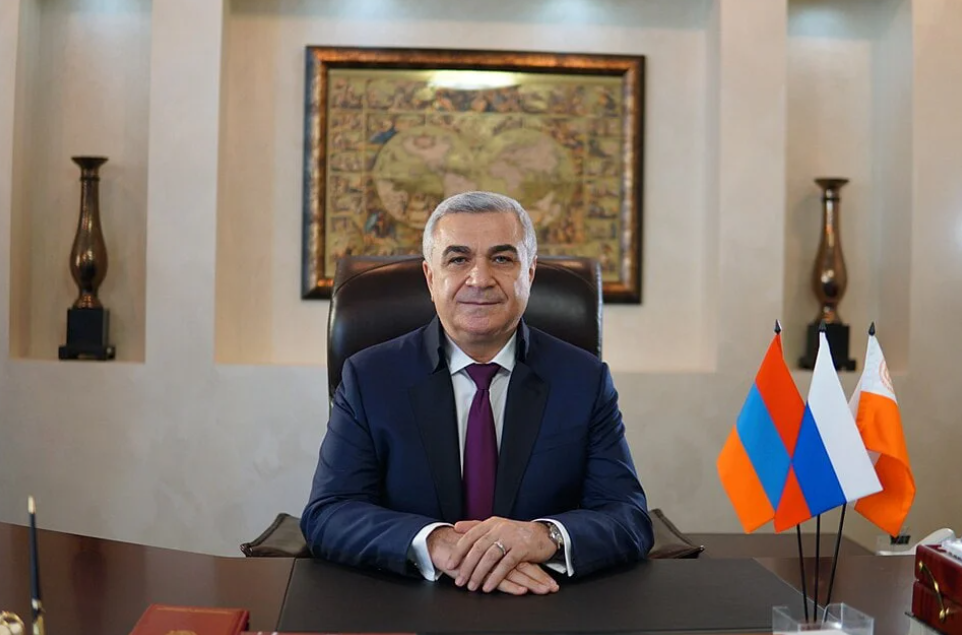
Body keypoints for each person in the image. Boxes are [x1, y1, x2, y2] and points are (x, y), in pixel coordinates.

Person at [301, 191, 653, 595]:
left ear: (530, 273)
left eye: (502, 259)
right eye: (458, 259)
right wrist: (437, 543)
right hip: (410, 600)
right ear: (430, 277)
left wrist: (542, 537)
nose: (480, 279)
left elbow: (627, 517)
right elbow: (329, 513)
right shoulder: (370, 378)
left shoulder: (583, 380)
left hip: (542, 600)